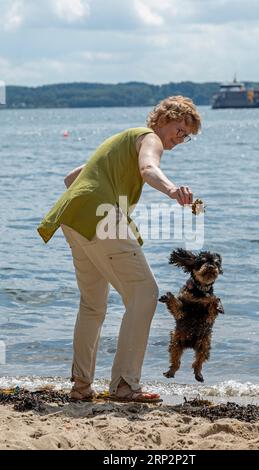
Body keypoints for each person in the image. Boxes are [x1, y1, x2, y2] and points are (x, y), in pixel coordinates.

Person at [37, 95, 201, 402]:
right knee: (145, 293)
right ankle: (125, 385)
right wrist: (171, 189)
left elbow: (71, 178)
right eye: (180, 130)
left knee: (92, 305)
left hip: (73, 218)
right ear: (164, 119)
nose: (181, 139)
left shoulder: (121, 140)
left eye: (187, 136)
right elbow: (148, 168)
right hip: (99, 218)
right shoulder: (148, 138)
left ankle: (81, 387)